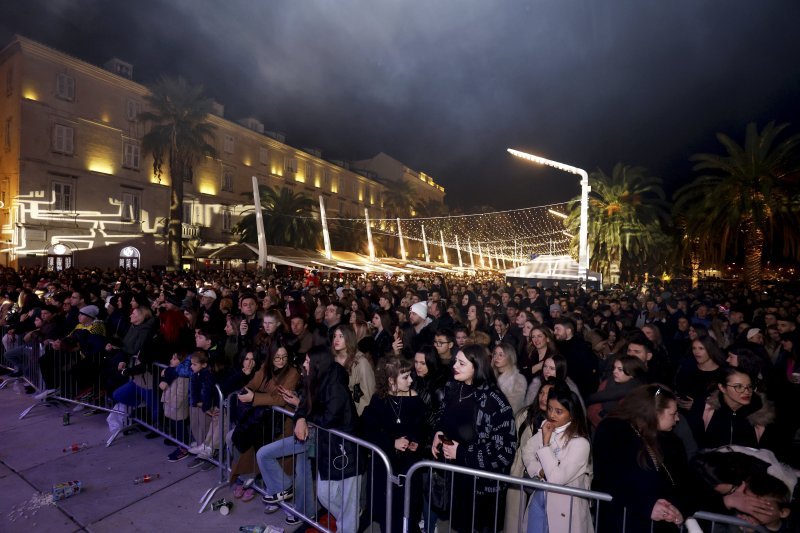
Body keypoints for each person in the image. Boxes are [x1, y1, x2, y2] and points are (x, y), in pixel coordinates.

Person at [432, 344, 517, 532]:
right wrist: (438, 432)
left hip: (481, 490)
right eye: (456, 361)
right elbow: (442, 415)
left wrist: (461, 452)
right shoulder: (453, 387)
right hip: (456, 482)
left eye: (461, 363)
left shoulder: (494, 401)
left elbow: (504, 452)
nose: (455, 366)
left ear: (476, 367)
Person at [593, 384, 690, 532]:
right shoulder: (613, 430)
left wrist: (679, 508)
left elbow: (684, 481)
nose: (677, 419)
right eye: (673, 414)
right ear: (655, 413)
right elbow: (609, 477)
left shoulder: (671, 441)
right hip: (621, 522)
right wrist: (646, 505)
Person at [361, 356, 426, 533]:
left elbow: (423, 429)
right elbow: (368, 431)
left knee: (408, 513)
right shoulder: (378, 401)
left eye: (410, 375)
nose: (411, 380)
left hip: (409, 467)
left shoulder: (415, 400)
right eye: (405, 377)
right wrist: (392, 443)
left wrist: (416, 443)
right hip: (385, 467)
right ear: (391, 380)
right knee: (387, 515)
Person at [231, 346, 300, 502]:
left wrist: (254, 397)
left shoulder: (292, 373)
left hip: (281, 423)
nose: (281, 361)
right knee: (235, 438)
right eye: (277, 357)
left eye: (285, 357)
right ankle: (249, 478)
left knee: (275, 459)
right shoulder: (264, 368)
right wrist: (247, 391)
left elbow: (282, 399)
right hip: (261, 420)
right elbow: (253, 384)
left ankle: (278, 491)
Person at [523, 384, 593, 533]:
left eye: (559, 411)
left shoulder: (580, 443)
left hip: (565, 508)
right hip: (539, 499)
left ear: (571, 414)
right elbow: (527, 451)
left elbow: (556, 479)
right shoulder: (546, 428)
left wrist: (546, 444)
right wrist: (540, 471)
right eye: (550, 409)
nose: (552, 415)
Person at [504, 379, 558, 533]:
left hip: (545, 478)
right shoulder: (525, 415)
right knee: (515, 521)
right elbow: (514, 442)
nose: (543, 397)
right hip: (520, 474)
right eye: (541, 392)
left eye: (548, 394)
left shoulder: (558, 422)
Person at [332, 324, 376, 416]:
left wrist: (356, 417)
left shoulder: (361, 362)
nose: (336, 339)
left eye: (341, 336)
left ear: (349, 338)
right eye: (335, 336)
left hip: (353, 412)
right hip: (333, 410)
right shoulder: (331, 359)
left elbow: (368, 394)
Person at [492, 342, 527, 413]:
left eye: (501, 355)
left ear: (509, 357)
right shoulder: (492, 375)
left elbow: (514, 408)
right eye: (495, 354)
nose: (496, 357)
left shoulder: (518, 379)